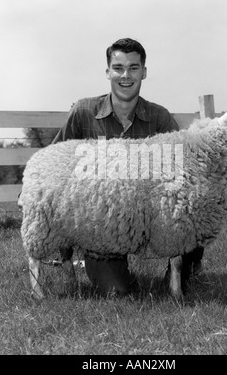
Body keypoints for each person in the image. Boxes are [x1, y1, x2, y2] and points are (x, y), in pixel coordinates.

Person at [53, 37, 203, 296]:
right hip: (103, 226)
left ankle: (181, 267)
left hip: (149, 219)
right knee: (117, 291)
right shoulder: (83, 112)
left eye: (134, 68)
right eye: (118, 67)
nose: (126, 75)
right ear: (108, 72)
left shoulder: (159, 118)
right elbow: (56, 158)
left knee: (196, 207)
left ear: (144, 72)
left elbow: (184, 170)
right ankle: (103, 266)